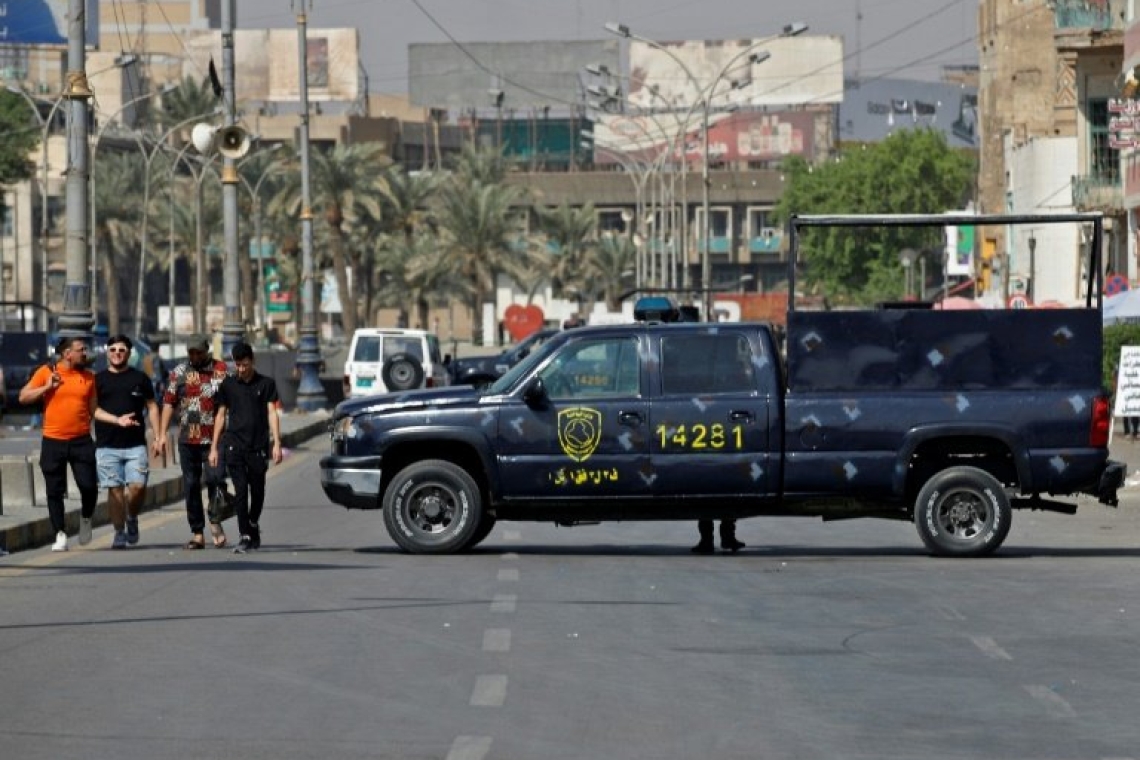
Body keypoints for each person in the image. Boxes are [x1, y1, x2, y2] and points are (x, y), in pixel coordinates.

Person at [18, 336, 98, 552]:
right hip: (53, 441)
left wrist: (117, 421)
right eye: (81, 349)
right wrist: (46, 387)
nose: (85, 353)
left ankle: (86, 517)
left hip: (81, 441)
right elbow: (23, 397)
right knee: (54, 491)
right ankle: (60, 534)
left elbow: (94, 410)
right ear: (67, 354)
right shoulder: (46, 372)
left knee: (89, 487)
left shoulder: (89, 378)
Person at [157, 334, 232, 550]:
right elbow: (169, 403)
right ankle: (197, 532)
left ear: (207, 350)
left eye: (199, 352)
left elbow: (228, 403)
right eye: (191, 352)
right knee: (190, 485)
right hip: (187, 438)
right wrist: (161, 434)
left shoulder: (220, 370)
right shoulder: (179, 373)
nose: (195, 356)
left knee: (216, 480)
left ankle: (215, 520)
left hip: (214, 439)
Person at [209, 342, 283, 554]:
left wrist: (276, 443)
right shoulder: (228, 385)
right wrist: (214, 447)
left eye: (245, 364)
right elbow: (221, 416)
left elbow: (272, 413)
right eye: (237, 365)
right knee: (241, 491)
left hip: (258, 446)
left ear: (252, 361)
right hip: (234, 446)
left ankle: (252, 523)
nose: (241, 369)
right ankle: (244, 535)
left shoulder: (266, 384)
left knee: (258, 492)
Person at [92, 335, 161, 549]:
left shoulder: (140, 378)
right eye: (113, 350)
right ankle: (119, 531)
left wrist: (158, 436)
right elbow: (93, 410)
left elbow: (152, 407)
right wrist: (115, 421)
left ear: (129, 353)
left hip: (135, 445)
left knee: (138, 487)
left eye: (121, 350)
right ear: (107, 353)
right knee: (114, 490)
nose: (117, 353)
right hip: (107, 445)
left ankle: (132, 516)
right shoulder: (98, 380)